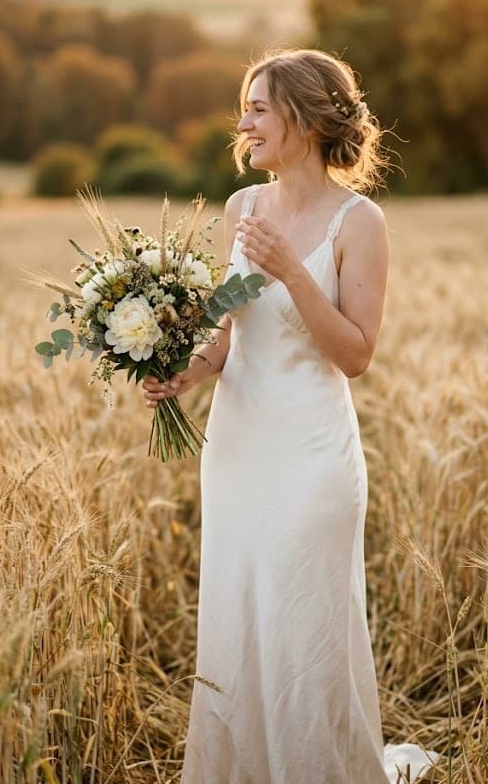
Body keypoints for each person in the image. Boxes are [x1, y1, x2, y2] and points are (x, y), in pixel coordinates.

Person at [141, 48, 439, 783]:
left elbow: (355, 353)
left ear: (303, 119)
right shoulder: (242, 209)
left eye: (257, 108)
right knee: (241, 614)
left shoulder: (358, 220)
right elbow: (224, 333)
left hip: (312, 455)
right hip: (238, 448)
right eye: (245, 107)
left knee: (304, 623)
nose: (242, 123)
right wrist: (183, 373)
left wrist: (294, 272)